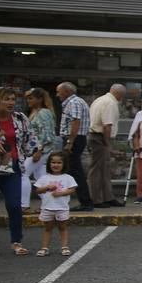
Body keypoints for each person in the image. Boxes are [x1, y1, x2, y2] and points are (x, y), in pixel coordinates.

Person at [0, 87, 39, 258]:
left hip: (12, 166)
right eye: (7, 99)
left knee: (14, 205)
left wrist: (35, 150)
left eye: (13, 99)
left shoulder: (20, 118)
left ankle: (17, 242)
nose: (11, 102)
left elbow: (30, 137)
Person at [87, 83, 127, 208]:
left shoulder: (99, 100)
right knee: (97, 170)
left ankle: (107, 197)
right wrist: (108, 143)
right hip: (100, 137)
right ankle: (96, 199)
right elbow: (107, 125)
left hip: (96, 136)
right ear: (120, 94)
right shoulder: (110, 103)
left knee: (104, 169)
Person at [56, 82, 94, 211]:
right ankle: (83, 200)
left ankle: (86, 202)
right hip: (75, 138)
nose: (57, 95)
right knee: (73, 170)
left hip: (74, 139)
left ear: (67, 91)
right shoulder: (76, 102)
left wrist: (70, 141)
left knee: (75, 171)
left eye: (59, 91)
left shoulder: (74, 102)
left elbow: (75, 121)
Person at [32, 152, 77, 257]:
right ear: (49, 164)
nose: (56, 165)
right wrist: (47, 187)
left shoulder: (68, 177)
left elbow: (72, 189)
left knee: (63, 227)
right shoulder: (44, 178)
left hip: (62, 207)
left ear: (64, 164)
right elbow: (38, 190)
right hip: (47, 207)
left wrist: (61, 193)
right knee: (48, 228)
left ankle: (65, 247)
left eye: (59, 162)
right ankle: (44, 247)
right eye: (53, 162)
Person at [22, 87, 59, 205]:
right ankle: (50, 203)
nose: (28, 101)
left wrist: (39, 150)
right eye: (27, 98)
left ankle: (24, 205)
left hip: (41, 150)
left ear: (40, 99)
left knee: (23, 173)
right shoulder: (35, 112)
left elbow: (47, 135)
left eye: (31, 98)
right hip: (38, 150)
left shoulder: (43, 113)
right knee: (41, 177)